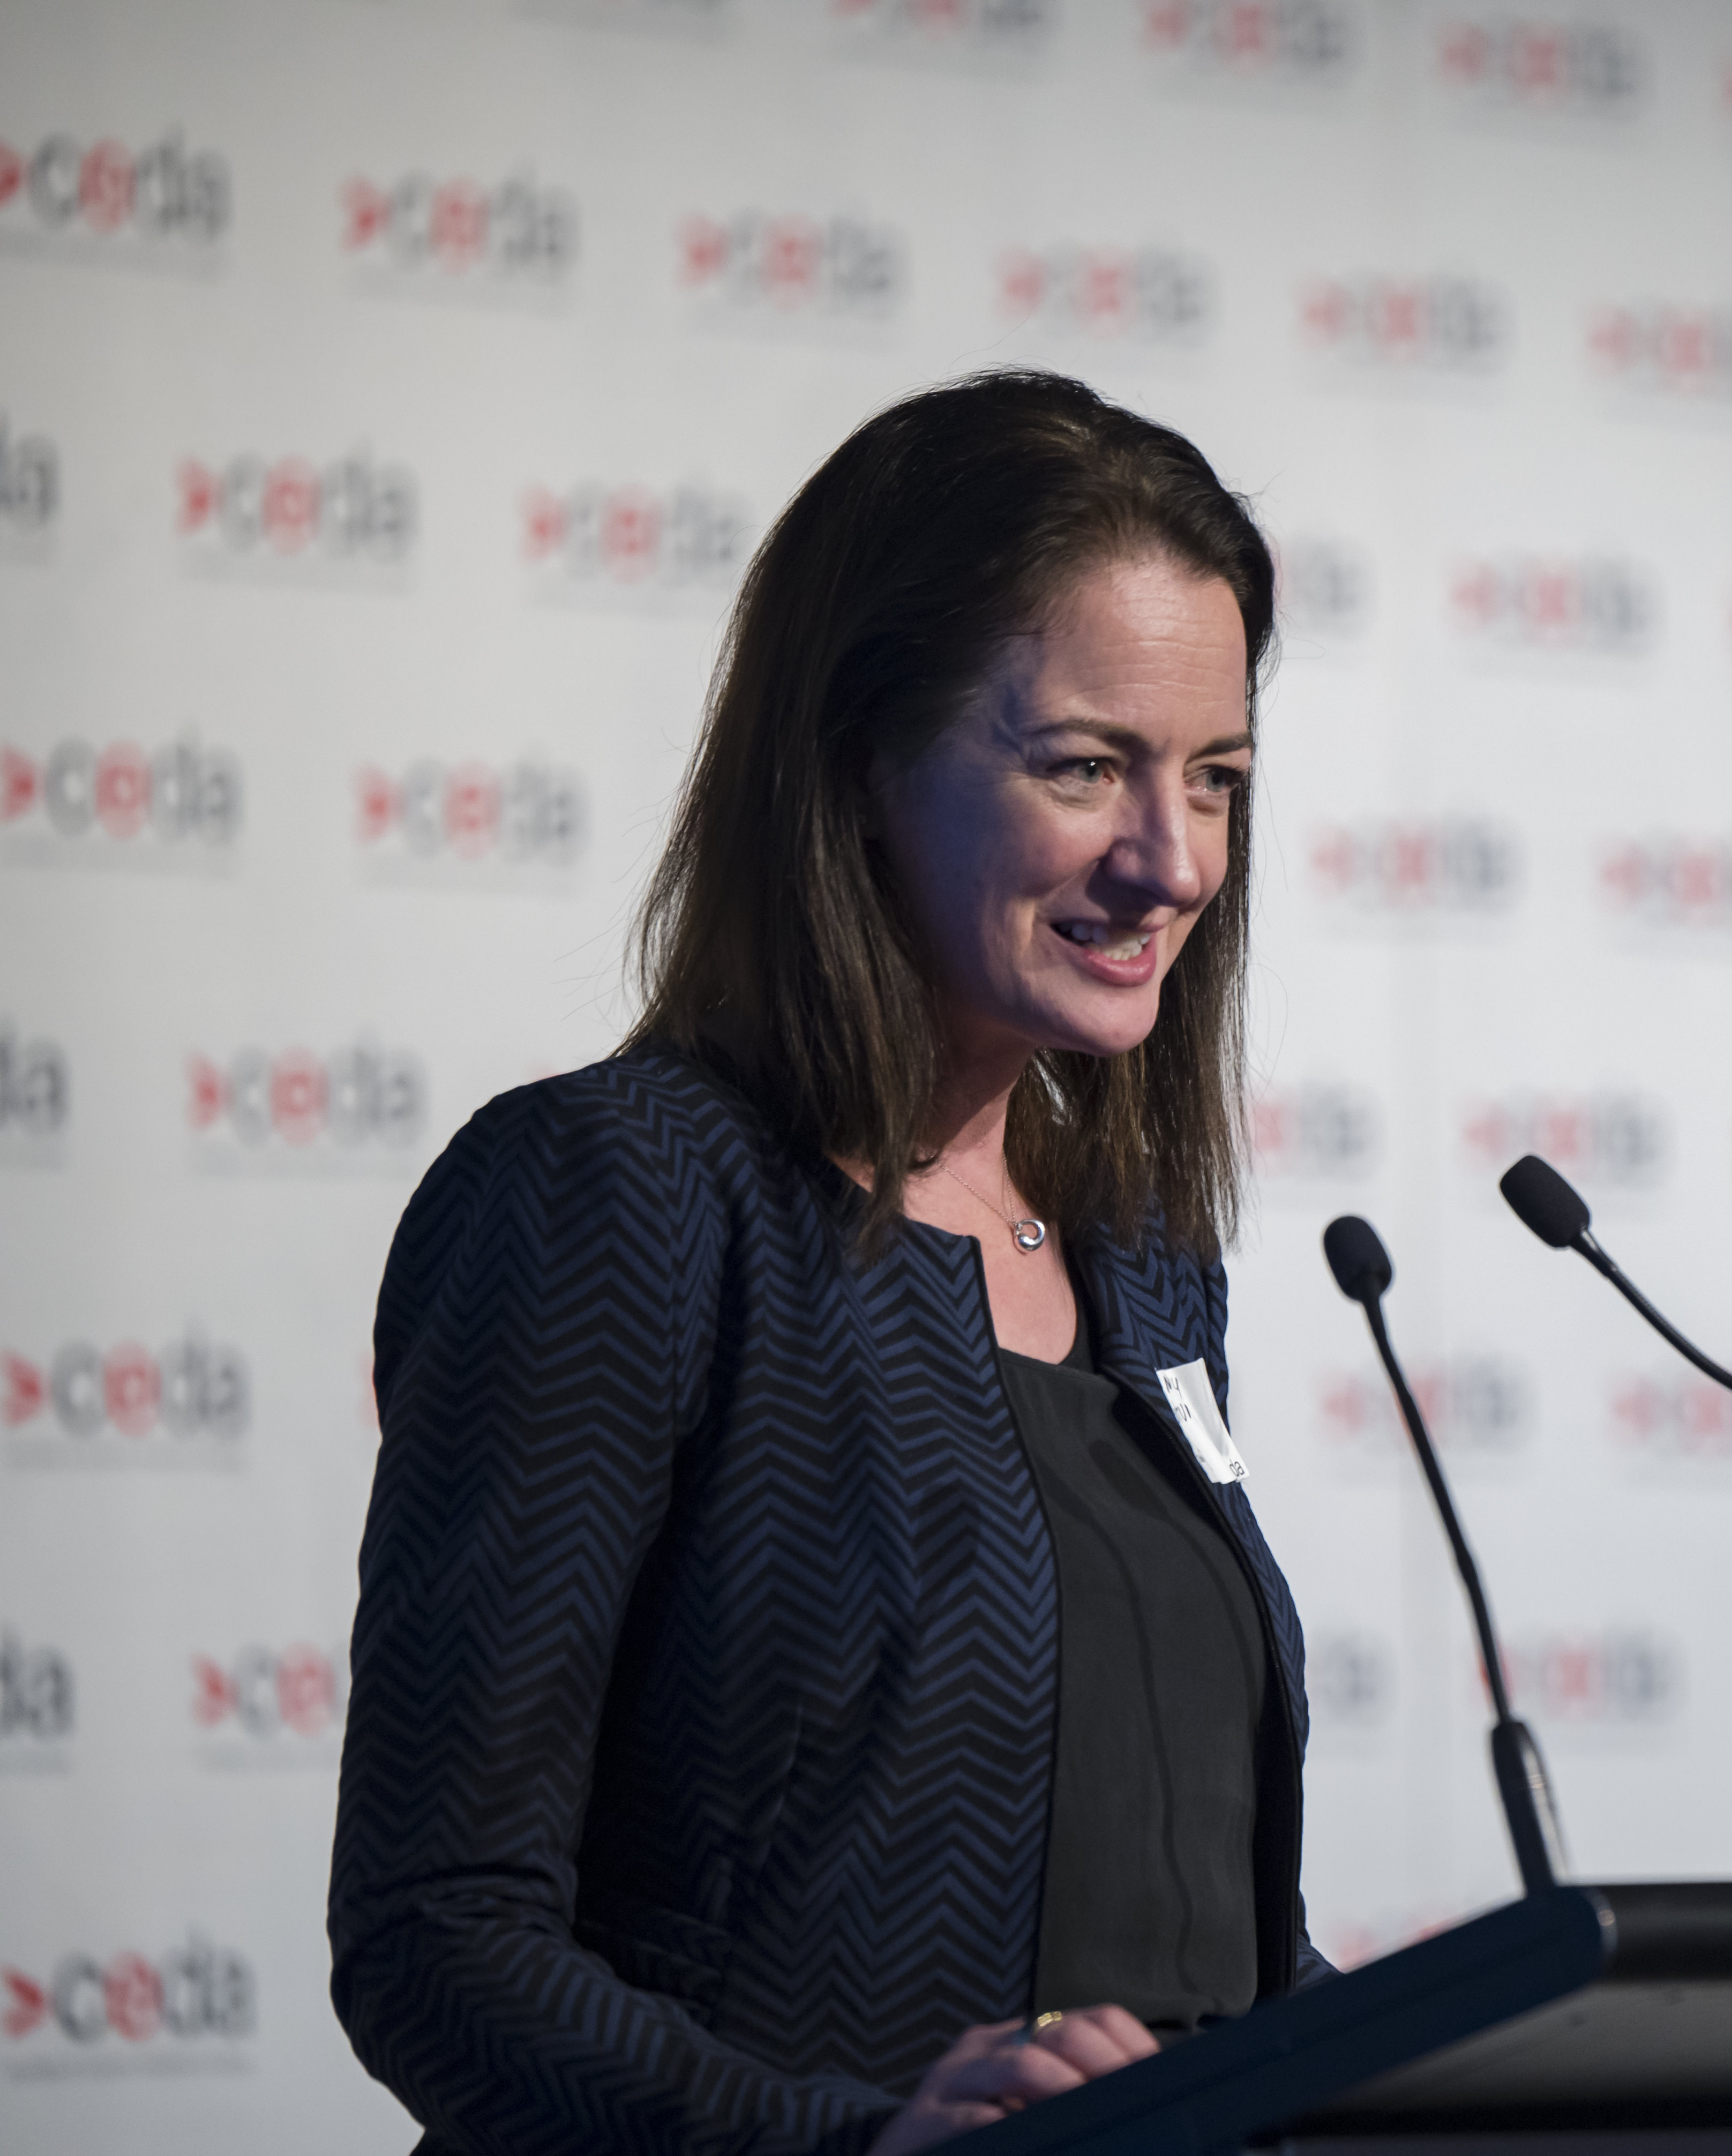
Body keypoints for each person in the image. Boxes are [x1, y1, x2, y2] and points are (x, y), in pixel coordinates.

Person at [329, 370, 1326, 2156]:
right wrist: (852, 2149)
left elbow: (1189, 1942)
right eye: (1085, 766)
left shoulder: (1148, 1263)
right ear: (863, 759)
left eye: (1218, 779)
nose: (1172, 862)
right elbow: (437, 1941)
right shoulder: (621, 1198)